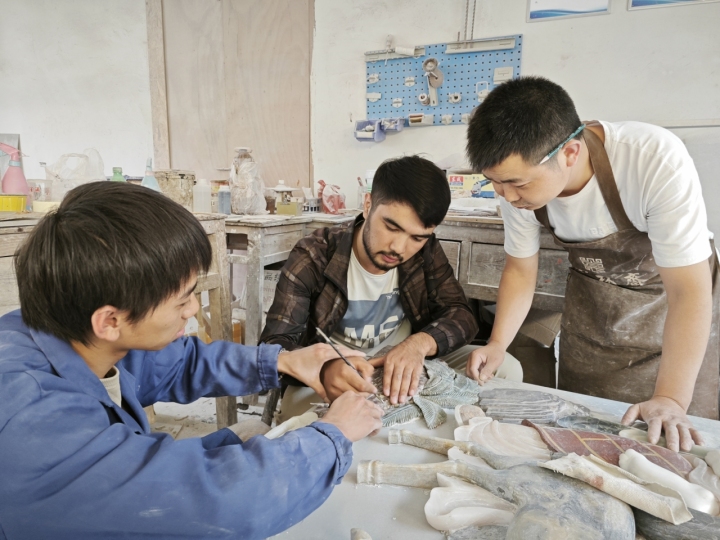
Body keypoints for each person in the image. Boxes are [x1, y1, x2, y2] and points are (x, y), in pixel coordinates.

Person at [0, 181, 383, 540]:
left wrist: (282, 362)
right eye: (182, 299)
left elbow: (178, 363)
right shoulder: (35, 425)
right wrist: (331, 435)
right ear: (110, 320)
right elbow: (214, 504)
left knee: (248, 434)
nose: (192, 310)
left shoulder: (67, 328)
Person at [465, 76, 719, 453]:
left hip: (672, 310)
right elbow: (520, 268)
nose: (507, 196)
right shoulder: (514, 188)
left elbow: (687, 291)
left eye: (517, 184)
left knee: (673, 444)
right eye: (494, 183)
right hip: (595, 310)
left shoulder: (651, 158)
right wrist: (498, 343)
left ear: (569, 153)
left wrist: (671, 398)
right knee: (585, 435)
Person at [260, 155, 522, 414]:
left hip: (403, 361)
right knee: (302, 412)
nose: (399, 248)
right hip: (340, 369)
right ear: (368, 205)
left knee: (506, 368)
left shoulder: (425, 250)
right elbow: (275, 346)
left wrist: (419, 344)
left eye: (417, 237)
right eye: (391, 227)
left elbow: (460, 314)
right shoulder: (314, 255)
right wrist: (326, 367)